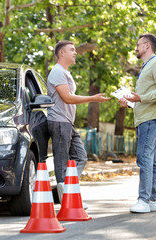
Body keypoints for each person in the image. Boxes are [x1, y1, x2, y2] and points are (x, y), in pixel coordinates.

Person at [47, 40, 110, 204]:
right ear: (62, 53)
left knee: (80, 157)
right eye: (72, 50)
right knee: (61, 162)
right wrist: (92, 98)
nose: (75, 52)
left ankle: (66, 192)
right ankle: (66, 200)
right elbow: (67, 98)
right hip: (59, 121)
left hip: (67, 123)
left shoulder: (65, 72)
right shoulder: (57, 72)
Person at [119, 33, 156, 213]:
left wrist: (141, 97)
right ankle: (153, 199)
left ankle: (144, 200)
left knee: (144, 157)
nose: (136, 47)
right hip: (144, 117)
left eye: (138, 44)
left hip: (150, 118)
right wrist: (131, 100)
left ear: (147, 46)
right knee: (152, 160)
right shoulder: (146, 67)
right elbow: (144, 97)